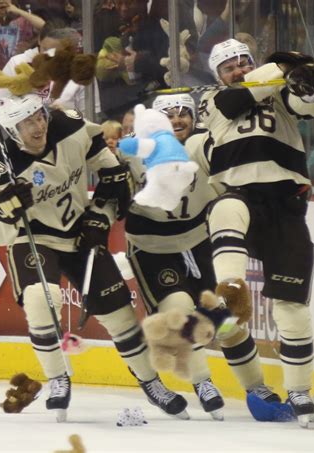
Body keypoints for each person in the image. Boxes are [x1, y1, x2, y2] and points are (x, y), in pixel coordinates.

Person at [0, 93, 188, 420]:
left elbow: (114, 176)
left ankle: (150, 382)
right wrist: (6, 209)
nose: (38, 125)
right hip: (35, 236)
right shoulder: (3, 167)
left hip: (79, 231)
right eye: (27, 121)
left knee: (120, 314)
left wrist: (99, 217)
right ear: (11, 130)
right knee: (40, 298)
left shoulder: (70, 127)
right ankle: (59, 377)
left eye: (39, 116)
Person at [197, 39, 314, 421]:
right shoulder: (214, 101)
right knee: (226, 209)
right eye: (229, 67)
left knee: (291, 308)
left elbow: (309, 107)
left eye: (243, 62)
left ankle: (299, 391)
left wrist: (305, 83)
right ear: (218, 77)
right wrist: (286, 65)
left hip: (286, 205)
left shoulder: (279, 94)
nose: (237, 70)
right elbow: (244, 95)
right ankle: (231, 291)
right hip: (241, 195)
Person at [123, 93, 226, 419]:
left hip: (197, 241)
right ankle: (203, 382)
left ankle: (255, 386)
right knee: (179, 307)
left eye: (184, 113)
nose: (178, 119)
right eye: (170, 114)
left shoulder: (204, 145)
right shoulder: (137, 150)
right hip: (152, 248)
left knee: (217, 316)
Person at [0, 0, 46, 65]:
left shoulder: (23, 21)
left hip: (21, 66)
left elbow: (44, 27)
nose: (1, 1)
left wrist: (17, 10)